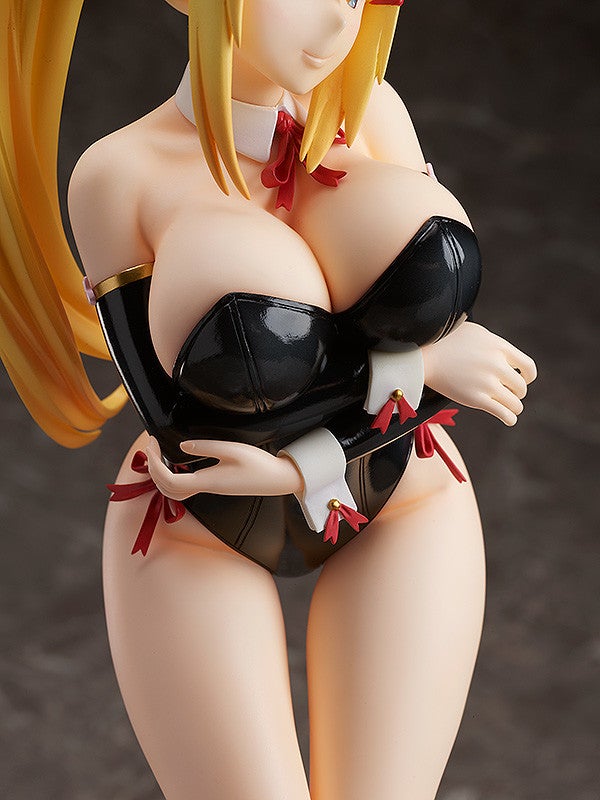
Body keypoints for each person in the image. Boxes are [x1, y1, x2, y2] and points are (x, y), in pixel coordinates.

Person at [0, 1, 537, 798]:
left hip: (404, 489)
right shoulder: (120, 175)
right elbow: (177, 425)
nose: (336, 23)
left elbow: (442, 331)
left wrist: (403, 377)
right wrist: (413, 370)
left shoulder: (373, 112)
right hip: (200, 518)